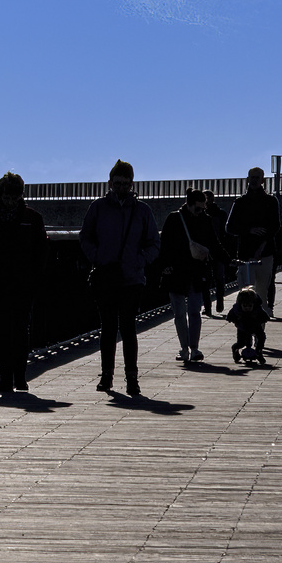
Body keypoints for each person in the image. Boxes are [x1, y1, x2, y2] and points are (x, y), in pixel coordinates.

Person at [80, 159, 160, 396]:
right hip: (107, 276)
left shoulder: (142, 210)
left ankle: (131, 378)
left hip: (132, 278)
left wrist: (140, 260)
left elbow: (154, 243)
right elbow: (86, 238)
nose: (121, 187)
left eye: (125, 184)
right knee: (108, 328)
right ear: (110, 182)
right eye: (117, 183)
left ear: (131, 184)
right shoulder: (98, 208)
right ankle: (107, 376)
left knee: (127, 328)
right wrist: (99, 257)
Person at [0, 172, 48, 393]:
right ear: (0, 194)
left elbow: (41, 251)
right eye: (7, 197)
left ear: (21, 195)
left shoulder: (24, 219)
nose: (11, 202)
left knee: (19, 329)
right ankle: (7, 378)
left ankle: (18, 377)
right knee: (6, 331)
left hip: (21, 284)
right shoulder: (26, 219)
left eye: (14, 198)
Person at [158, 189, 219, 362]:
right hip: (177, 272)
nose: (201, 212)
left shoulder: (203, 219)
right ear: (189, 205)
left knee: (193, 312)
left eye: (203, 208)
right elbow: (164, 246)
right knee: (180, 314)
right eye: (199, 208)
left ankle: (193, 348)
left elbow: (214, 243)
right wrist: (165, 266)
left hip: (194, 272)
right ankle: (185, 348)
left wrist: (228, 259)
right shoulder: (175, 218)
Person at [225, 166, 282, 316]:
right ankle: (244, 333)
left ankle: (259, 332)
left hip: (265, 254)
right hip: (245, 255)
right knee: (244, 295)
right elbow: (229, 227)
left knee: (262, 293)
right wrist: (249, 230)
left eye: (257, 177)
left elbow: (275, 226)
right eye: (252, 177)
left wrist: (261, 246)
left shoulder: (271, 201)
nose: (254, 180)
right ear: (248, 179)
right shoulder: (240, 202)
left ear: (263, 180)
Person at [199, 189, 232, 317]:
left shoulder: (215, 214)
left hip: (215, 251)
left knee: (216, 279)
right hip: (209, 252)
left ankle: (216, 303)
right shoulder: (216, 214)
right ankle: (210, 306)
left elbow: (225, 234)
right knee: (210, 280)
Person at [225, 286, 270, 364]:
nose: (247, 308)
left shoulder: (257, 309)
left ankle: (259, 351)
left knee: (261, 337)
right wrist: (233, 320)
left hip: (255, 325)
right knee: (241, 343)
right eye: (245, 306)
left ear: (254, 304)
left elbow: (264, 316)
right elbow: (231, 315)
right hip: (242, 327)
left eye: (250, 306)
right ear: (241, 304)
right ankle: (235, 349)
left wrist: (263, 320)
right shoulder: (237, 309)